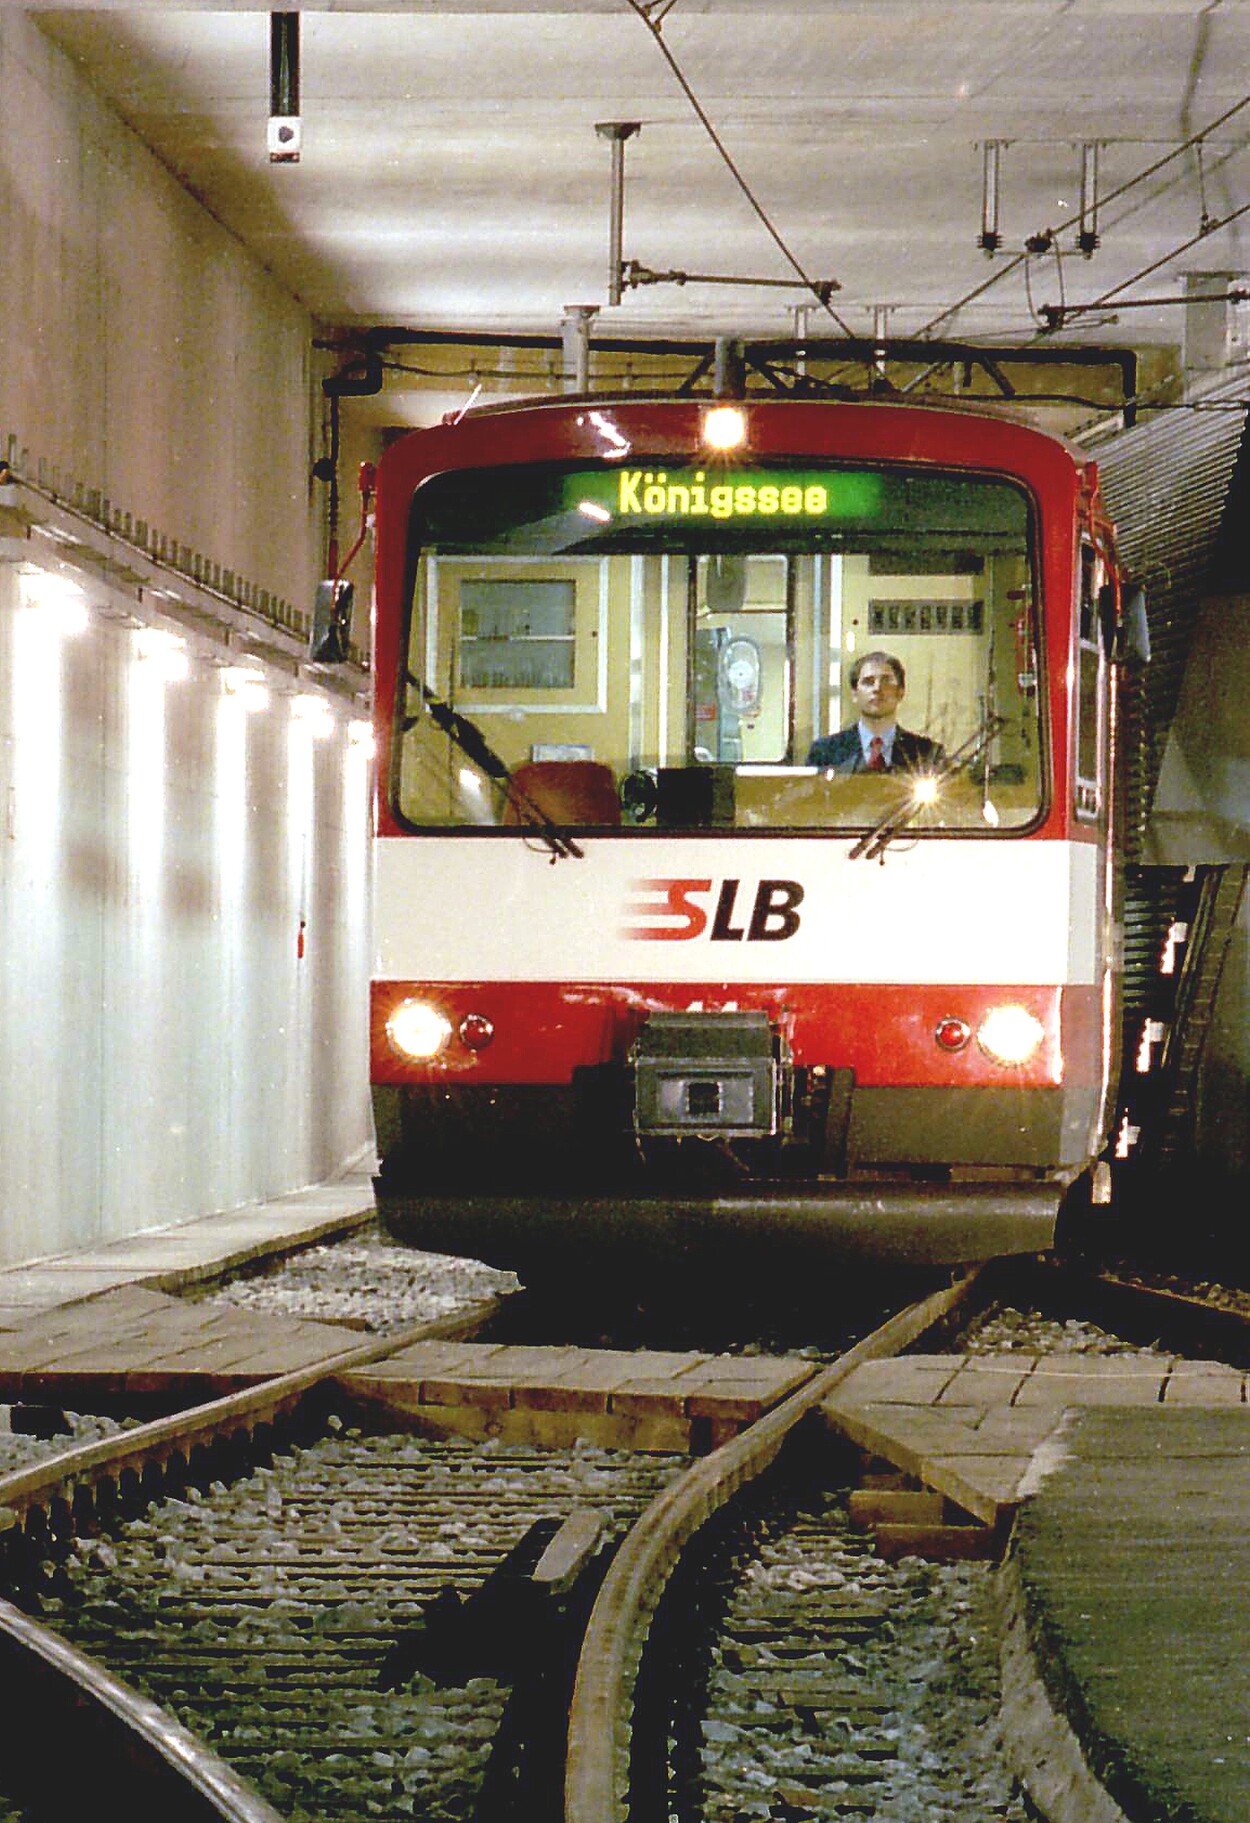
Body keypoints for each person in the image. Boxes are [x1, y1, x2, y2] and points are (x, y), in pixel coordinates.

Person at [806, 650, 946, 773]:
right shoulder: (825, 752)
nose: (877, 688)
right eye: (868, 681)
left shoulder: (927, 754)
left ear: (901, 692)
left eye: (886, 681)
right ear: (854, 694)